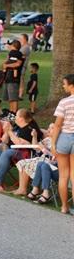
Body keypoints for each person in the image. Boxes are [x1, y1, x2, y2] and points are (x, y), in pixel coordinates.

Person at [0, 109, 42, 192]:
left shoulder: (29, 129)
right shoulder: (17, 127)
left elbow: (19, 144)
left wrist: (9, 131)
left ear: (22, 118)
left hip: (24, 154)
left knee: (6, 153)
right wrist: (6, 131)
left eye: (16, 116)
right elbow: (4, 141)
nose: (15, 117)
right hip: (11, 149)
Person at [51, 74, 74, 214]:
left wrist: (53, 143)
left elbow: (58, 125)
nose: (63, 86)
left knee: (63, 175)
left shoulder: (64, 102)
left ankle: (64, 206)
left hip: (64, 138)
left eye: (64, 84)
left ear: (71, 85)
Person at [2, 40, 24, 113]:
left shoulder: (18, 54)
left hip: (13, 79)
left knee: (14, 98)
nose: (9, 46)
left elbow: (18, 64)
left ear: (13, 46)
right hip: (8, 77)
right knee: (10, 98)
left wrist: (7, 65)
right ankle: (11, 112)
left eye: (11, 45)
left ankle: (14, 112)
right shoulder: (11, 53)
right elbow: (7, 61)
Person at [18, 34, 31, 99]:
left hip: (22, 66)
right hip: (20, 66)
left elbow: (19, 55)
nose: (20, 40)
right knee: (19, 80)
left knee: (21, 80)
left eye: (21, 38)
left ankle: (20, 94)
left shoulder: (26, 47)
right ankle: (19, 93)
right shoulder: (23, 47)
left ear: (25, 39)